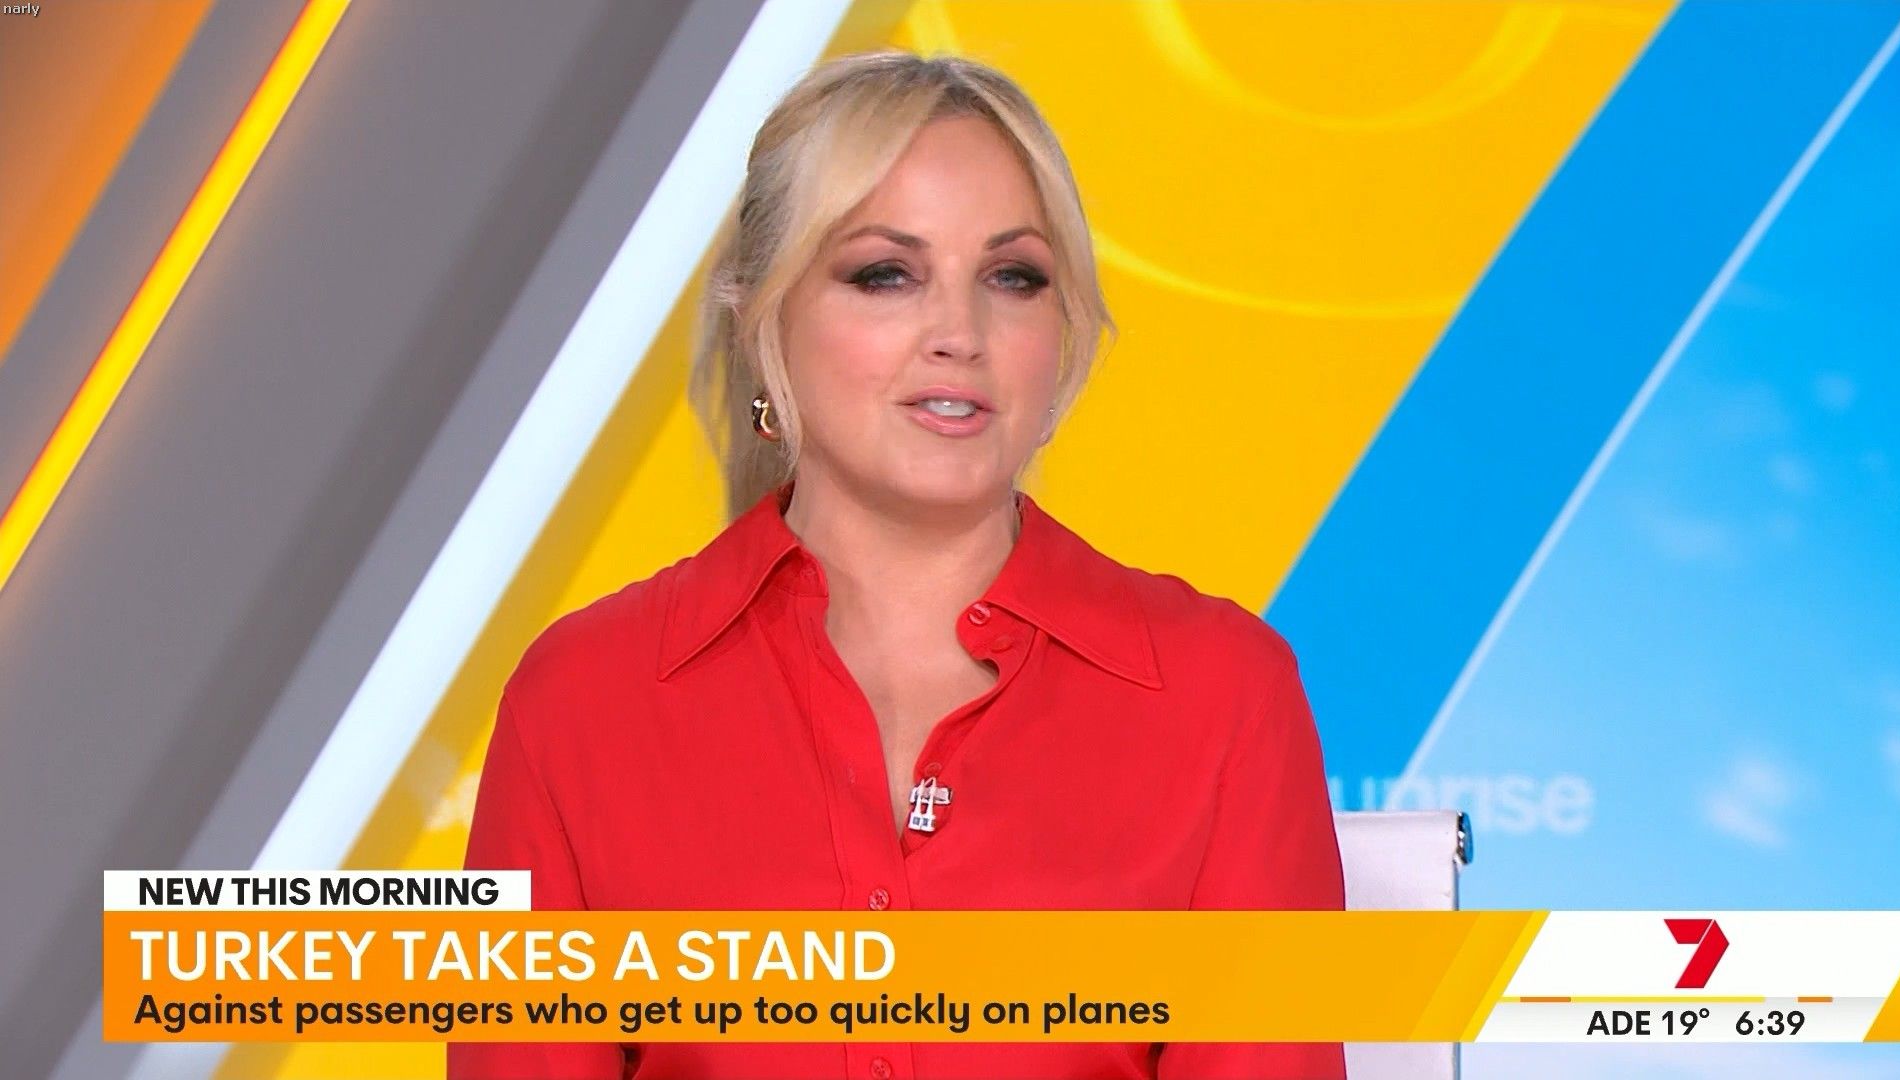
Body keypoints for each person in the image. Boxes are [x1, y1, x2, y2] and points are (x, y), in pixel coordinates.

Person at [450, 48, 1346, 1080]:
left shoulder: (1222, 695)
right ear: (764, 318)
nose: (959, 333)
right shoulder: (581, 700)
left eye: (1013, 277)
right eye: (886, 274)